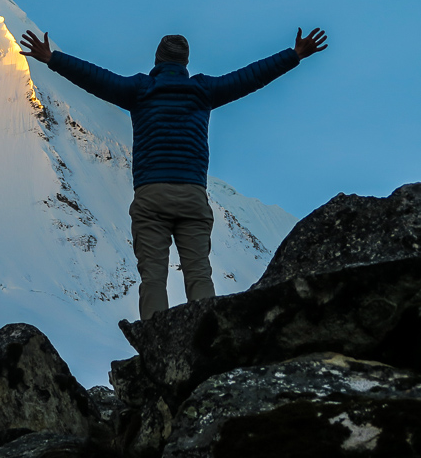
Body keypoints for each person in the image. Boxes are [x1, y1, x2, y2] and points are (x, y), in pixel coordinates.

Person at [19, 28, 328, 320]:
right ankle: (206, 343)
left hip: (151, 196)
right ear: (185, 63)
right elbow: (249, 77)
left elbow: (97, 78)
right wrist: (294, 54)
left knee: (153, 277)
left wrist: (53, 58)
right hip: (192, 195)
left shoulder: (139, 90)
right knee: (198, 273)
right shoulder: (204, 91)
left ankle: (156, 348)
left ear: (157, 60)